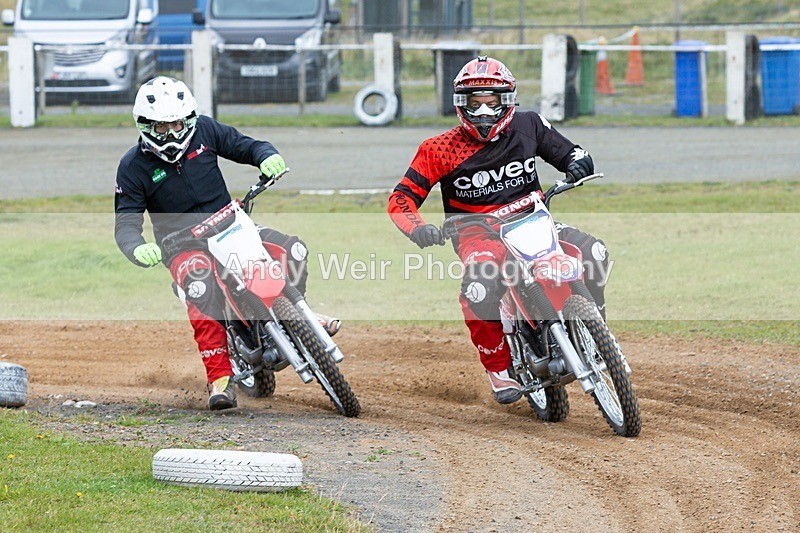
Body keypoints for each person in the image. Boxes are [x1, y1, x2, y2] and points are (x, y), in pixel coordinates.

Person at [387, 57, 613, 405]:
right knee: (478, 289)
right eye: (473, 103)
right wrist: (418, 229)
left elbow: (569, 151)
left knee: (594, 251)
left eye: (491, 102)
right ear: (459, 104)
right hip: (478, 235)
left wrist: (578, 162)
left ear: (508, 100)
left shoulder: (530, 125)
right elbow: (401, 197)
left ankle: (591, 322)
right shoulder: (437, 149)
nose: (482, 112)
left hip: (535, 221)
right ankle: (498, 367)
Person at [115, 76, 317, 411]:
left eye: (177, 124)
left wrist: (267, 155)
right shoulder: (132, 167)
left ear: (190, 119)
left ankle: (301, 317)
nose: (171, 133)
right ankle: (220, 377)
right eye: (162, 127)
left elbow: (247, 145)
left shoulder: (206, 131)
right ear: (145, 126)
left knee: (292, 249)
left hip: (230, 225)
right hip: (182, 246)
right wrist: (136, 247)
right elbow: (126, 223)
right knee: (198, 286)